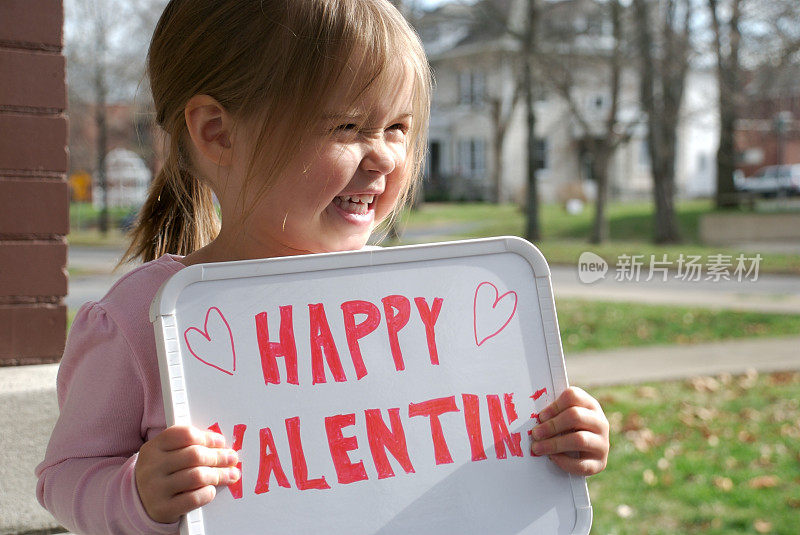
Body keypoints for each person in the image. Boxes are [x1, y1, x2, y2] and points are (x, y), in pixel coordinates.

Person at [36, 1, 610, 533]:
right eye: (347, 127)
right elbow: (63, 478)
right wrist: (136, 492)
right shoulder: (141, 322)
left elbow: (465, 444)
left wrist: (559, 438)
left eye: (398, 128)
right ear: (217, 133)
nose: (385, 155)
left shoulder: (423, 306)